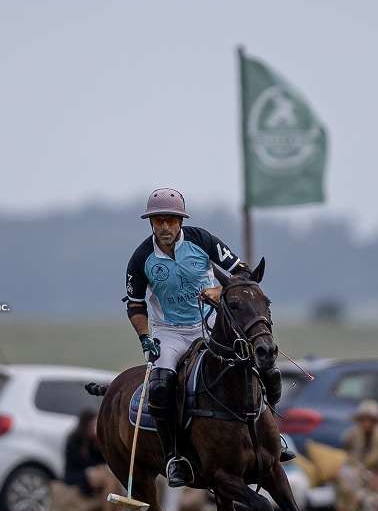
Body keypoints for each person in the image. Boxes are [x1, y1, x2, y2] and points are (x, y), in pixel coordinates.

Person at [120, 188, 285, 487]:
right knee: (160, 387)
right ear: (151, 223)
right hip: (170, 332)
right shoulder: (141, 258)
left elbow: (242, 273)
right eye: (159, 221)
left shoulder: (202, 240)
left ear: (181, 222)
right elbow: (135, 305)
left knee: (263, 367)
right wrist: (146, 338)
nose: (165, 227)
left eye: (171, 220)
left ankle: (274, 437)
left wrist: (220, 291)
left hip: (210, 324)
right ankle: (174, 458)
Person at [336, 399, 378, 511]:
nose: (367, 423)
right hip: (356, 477)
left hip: (375, 481)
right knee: (347, 474)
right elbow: (347, 460)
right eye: (364, 419)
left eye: (370, 420)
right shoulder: (351, 436)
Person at [63, 408, 107, 497]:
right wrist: (90, 471)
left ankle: (112, 509)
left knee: (109, 477)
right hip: (77, 477)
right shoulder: (75, 441)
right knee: (106, 479)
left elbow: (102, 462)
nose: (96, 428)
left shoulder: (95, 441)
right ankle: (111, 510)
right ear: (86, 425)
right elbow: (76, 466)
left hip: (93, 475)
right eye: (93, 425)